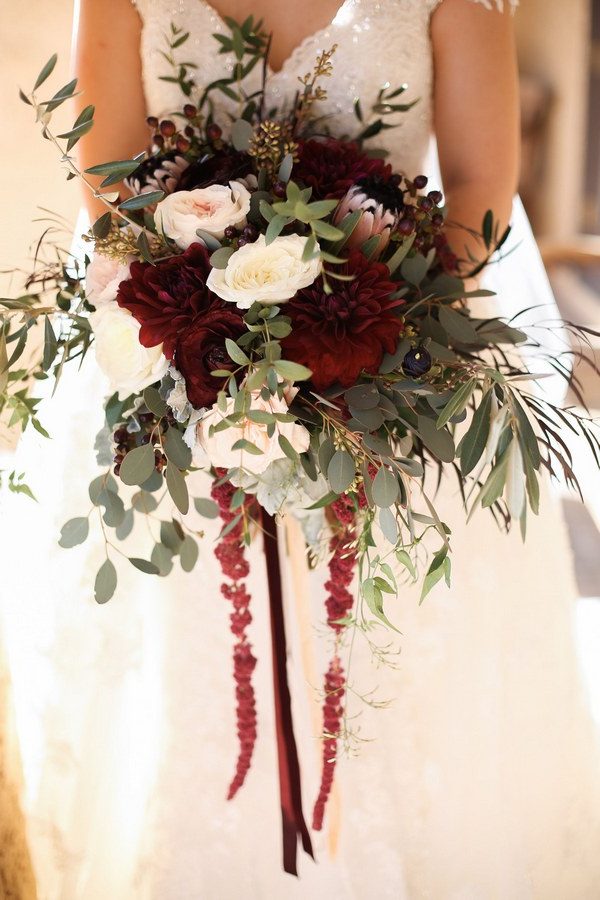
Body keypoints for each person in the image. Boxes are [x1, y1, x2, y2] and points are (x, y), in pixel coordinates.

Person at [2, 0, 600, 896]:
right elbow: (110, 192)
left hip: (398, 372)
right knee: (189, 680)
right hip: (176, 372)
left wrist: (354, 353)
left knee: (396, 675)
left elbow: (480, 196)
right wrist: (218, 339)